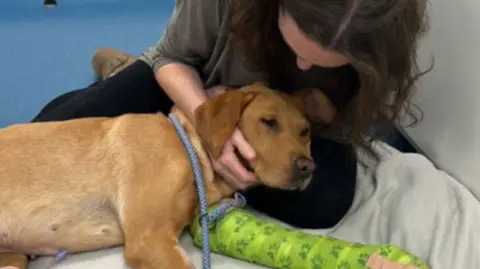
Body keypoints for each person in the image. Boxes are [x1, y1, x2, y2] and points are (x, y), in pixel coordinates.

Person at [31, 0, 429, 229]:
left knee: (326, 202)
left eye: (325, 61)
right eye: (297, 50)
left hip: (285, 121)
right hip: (197, 82)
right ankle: (121, 70)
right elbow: (173, 57)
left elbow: (336, 133)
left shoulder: (379, 37)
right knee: (48, 135)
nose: (304, 67)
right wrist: (206, 115)